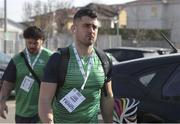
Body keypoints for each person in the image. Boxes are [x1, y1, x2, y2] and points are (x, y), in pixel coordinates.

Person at [38, 8, 114, 123]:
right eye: (86, 26)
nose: (91, 30)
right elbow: (44, 100)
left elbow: (107, 96)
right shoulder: (58, 59)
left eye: (94, 27)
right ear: (74, 28)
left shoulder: (105, 60)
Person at [0, 26, 52, 123]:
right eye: (29, 43)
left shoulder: (51, 57)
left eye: (35, 43)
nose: (32, 46)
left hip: (43, 112)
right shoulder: (17, 59)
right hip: (22, 112)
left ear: (42, 41)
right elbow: (7, 83)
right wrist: (2, 102)